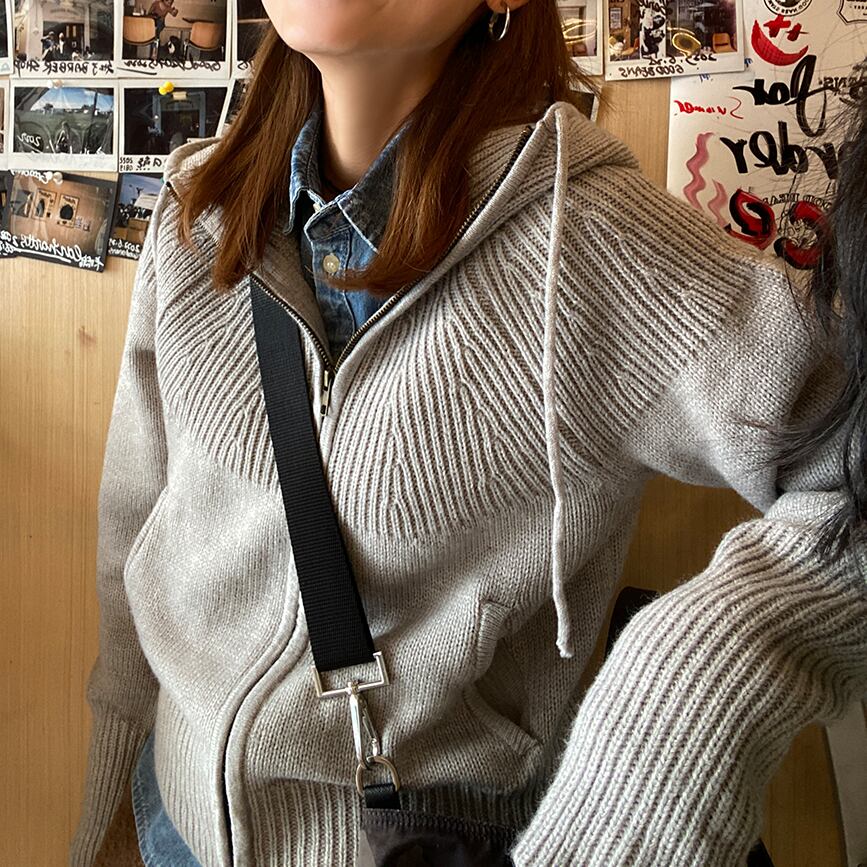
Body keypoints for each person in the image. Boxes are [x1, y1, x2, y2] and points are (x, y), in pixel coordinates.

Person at [70, 2, 867, 866]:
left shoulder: (595, 240)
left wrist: (697, 673)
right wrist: (107, 798)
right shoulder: (197, 209)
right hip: (171, 822)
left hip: (415, 844)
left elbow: (847, 469)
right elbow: (136, 523)